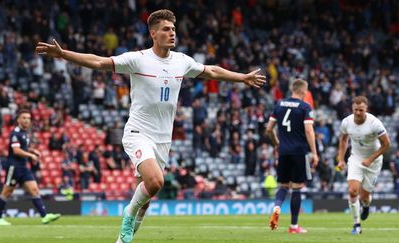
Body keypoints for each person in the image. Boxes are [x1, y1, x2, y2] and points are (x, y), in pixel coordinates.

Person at [36, 9, 266, 243]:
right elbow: (98, 61)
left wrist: (242, 77)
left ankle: (122, 240)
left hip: (163, 140)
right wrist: (63, 54)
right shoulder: (138, 59)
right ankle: (127, 214)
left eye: (173, 29)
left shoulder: (182, 61)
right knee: (155, 182)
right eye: (166, 29)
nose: (172, 33)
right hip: (139, 132)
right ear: (153, 33)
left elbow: (212, 71)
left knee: (145, 202)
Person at [266, 79, 318, 234]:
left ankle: (277, 206)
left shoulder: (279, 105)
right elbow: (309, 131)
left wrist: (276, 144)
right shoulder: (304, 107)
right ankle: (293, 227)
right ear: (303, 91)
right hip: (299, 152)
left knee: (283, 186)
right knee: (296, 188)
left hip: (283, 152)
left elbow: (269, 129)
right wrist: (314, 152)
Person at [0, 109, 61, 226]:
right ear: (18, 119)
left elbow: (23, 147)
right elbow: (16, 150)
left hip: (23, 167)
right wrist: (31, 155)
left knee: (34, 189)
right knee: (6, 192)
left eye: (28, 118)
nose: (26, 120)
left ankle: (44, 216)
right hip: (14, 167)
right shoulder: (15, 133)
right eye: (24, 118)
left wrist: (33, 150)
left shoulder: (24, 133)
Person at [337, 96, 390, 234]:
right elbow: (343, 140)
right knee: (352, 191)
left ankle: (366, 206)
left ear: (366, 108)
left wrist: (371, 159)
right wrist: (341, 159)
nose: (358, 113)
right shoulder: (346, 122)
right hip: (356, 159)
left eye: (361, 110)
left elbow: (386, 144)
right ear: (352, 108)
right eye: (356, 110)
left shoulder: (375, 123)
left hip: (373, 162)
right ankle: (356, 225)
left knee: (365, 197)